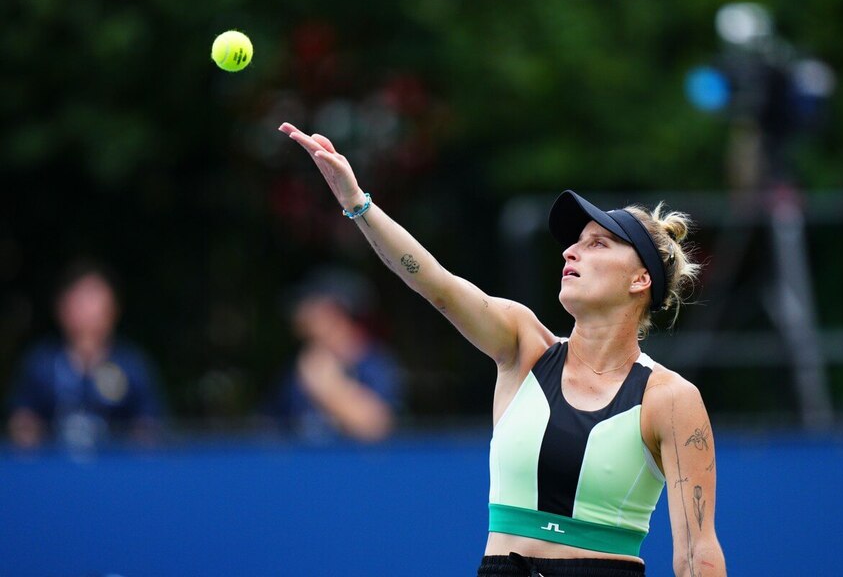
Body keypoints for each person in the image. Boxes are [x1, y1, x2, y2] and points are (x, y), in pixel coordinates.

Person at [278, 122, 726, 576]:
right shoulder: (523, 344)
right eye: (574, 243)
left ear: (640, 279)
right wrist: (357, 203)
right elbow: (437, 284)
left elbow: (696, 554)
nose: (571, 252)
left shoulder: (670, 399)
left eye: (597, 244)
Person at [6, 260, 164, 449]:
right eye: (81, 300)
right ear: (62, 308)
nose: (89, 310)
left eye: (96, 299)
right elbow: (22, 422)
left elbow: (149, 426)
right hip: (53, 472)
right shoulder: (41, 363)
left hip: (116, 472)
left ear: (113, 308)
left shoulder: (131, 365)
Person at [264, 267, 403, 442]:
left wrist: (326, 387)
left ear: (335, 311)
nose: (300, 313)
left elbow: (376, 427)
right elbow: (270, 427)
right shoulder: (299, 363)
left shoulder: (375, 364)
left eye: (310, 304)